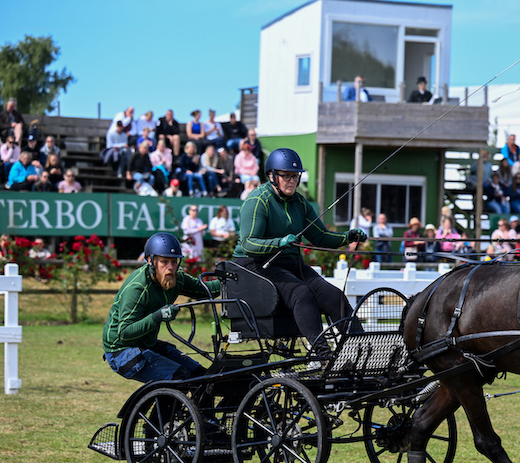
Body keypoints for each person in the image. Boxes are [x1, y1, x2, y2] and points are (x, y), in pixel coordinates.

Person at [233, 147, 366, 359]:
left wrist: (348, 237)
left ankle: (363, 352)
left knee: (334, 297)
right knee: (301, 292)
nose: (292, 181)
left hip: (290, 264)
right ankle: (324, 357)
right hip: (257, 265)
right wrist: (280, 241)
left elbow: (321, 237)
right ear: (272, 176)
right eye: (286, 176)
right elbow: (249, 243)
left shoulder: (299, 202)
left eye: (295, 176)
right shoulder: (258, 201)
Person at [103, 233, 219, 382]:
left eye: (174, 261)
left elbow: (204, 290)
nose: (170, 268)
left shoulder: (178, 277)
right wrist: (158, 316)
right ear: (151, 261)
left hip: (146, 345)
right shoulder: (138, 288)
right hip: (121, 351)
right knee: (179, 378)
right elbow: (124, 332)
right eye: (164, 262)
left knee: (201, 377)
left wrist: (233, 279)